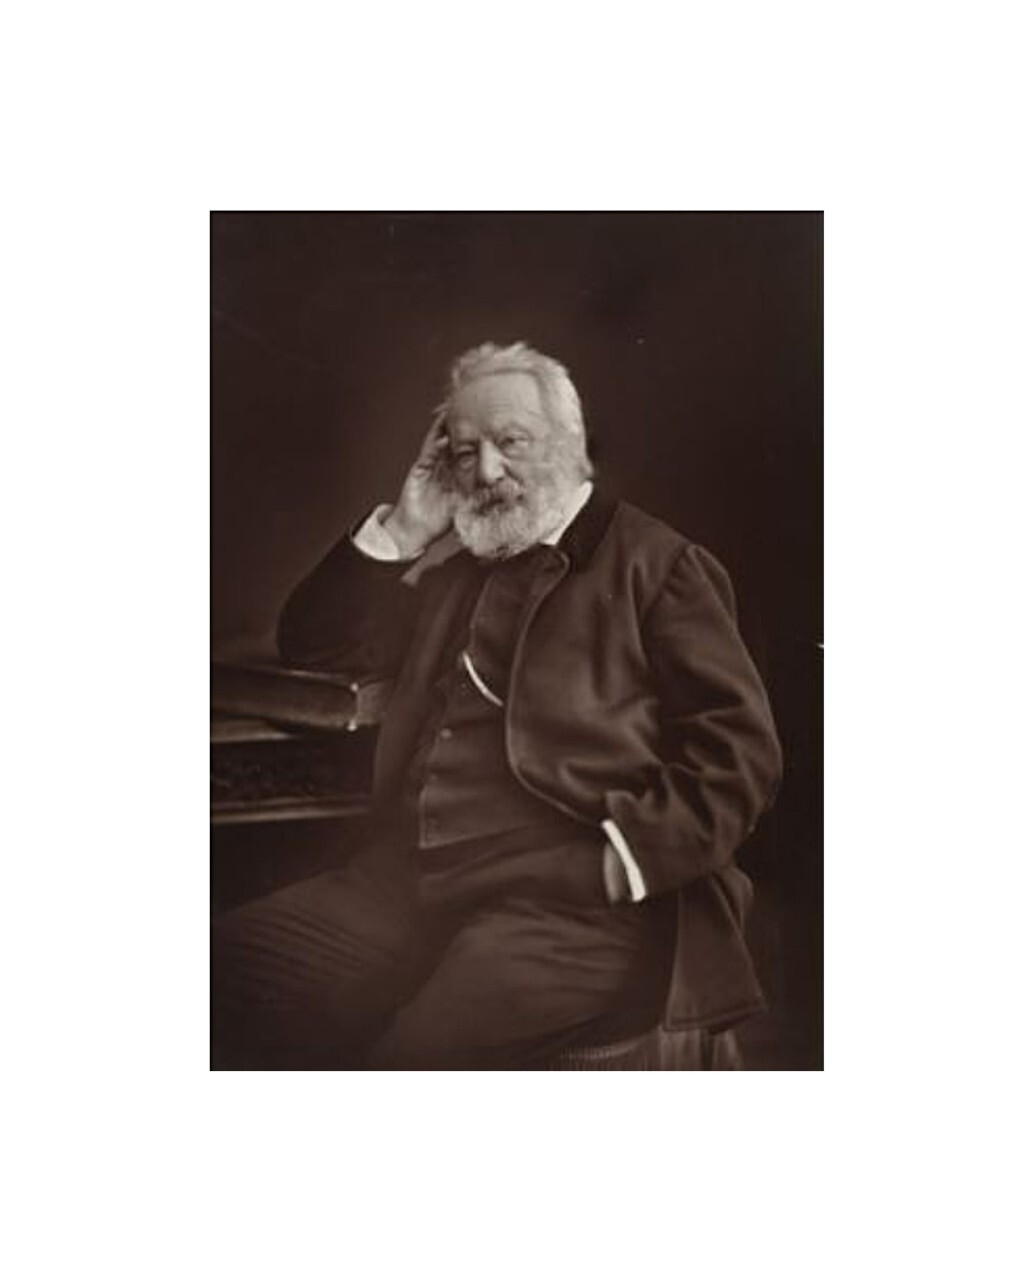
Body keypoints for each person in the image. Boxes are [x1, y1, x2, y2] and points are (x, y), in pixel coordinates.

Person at [211, 342, 782, 1070]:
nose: (484, 471)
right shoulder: (456, 575)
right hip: (406, 882)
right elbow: (316, 643)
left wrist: (618, 864)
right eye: (463, 452)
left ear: (569, 445)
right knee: (219, 975)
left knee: (409, 1064)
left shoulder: (659, 565)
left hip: (577, 909)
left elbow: (739, 756)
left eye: (510, 442)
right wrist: (406, 528)